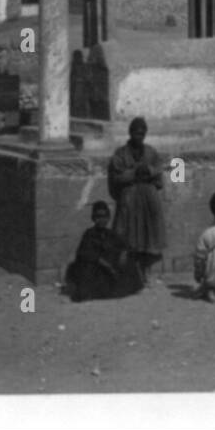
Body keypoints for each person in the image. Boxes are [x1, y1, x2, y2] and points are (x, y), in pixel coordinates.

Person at [107, 117, 167, 285]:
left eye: (142, 133)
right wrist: (133, 173)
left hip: (148, 199)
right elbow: (116, 177)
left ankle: (146, 273)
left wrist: (148, 171)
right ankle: (127, 274)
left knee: (149, 238)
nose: (138, 136)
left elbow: (159, 173)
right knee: (127, 237)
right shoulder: (120, 154)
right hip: (129, 199)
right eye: (135, 133)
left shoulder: (151, 152)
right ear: (130, 133)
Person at [64, 201, 142, 301]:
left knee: (129, 259)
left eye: (104, 217)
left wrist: (124, 253)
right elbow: (86, 254)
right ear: (94, 218)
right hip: (98, 271)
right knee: (87, 269)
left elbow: (126, 245)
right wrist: (107, 266)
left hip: (110, 272)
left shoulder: (110, 233)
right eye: (98, 217)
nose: (102, 220)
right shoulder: (89, 234)